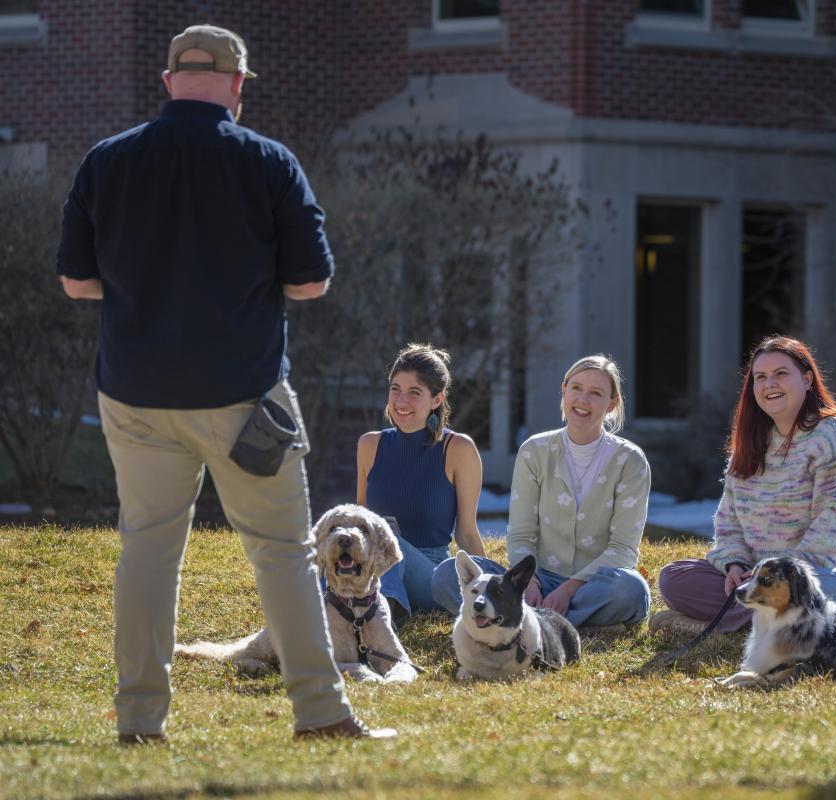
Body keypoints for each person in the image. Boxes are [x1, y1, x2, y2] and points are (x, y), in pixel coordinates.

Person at [56, 25, 388, 741]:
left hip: (136, 392)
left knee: (147, 548)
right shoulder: (268, 161)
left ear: (170, 79)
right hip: (246, 396)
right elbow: (311, 281)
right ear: (238, 86)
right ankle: (322, 714)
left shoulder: (106, 161)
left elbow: (78, 281)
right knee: (281, 553)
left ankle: (140, 723)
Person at [651, 335, 836, 635]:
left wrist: (772, 578)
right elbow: (729, 522)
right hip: (759, 579)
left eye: (781, 374)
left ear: (808, 380)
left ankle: (727, 625)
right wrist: (734, 565)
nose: (769, 384)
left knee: (815, 590)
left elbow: (834, 534)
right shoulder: (752, 443)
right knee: (675, 577)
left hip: (831, 574)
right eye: (760, 377)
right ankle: (762, 621)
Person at [431, 355, 651, 631]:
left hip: (595, 585)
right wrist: (529, 583)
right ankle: (573, 624)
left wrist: (569, 590)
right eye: (576, 388)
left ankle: (526, 624)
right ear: (564, 391)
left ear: (612, 404)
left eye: (596, 393)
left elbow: (623, 549)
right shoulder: (534, 450)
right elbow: (521, 533)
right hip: (535, 579)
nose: (583, 400)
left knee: (631, 591)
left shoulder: (630, 460)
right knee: (445, 576)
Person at [357, 344, 487, 623]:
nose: (401, 401)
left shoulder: (458, 448)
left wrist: (491, 592)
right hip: (374, 567)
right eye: (395, 389)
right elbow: (359, 523)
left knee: (383, 532)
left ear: (437, 399)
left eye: (414, 393)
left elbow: (466, 533)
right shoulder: (370, 444)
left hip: (429, 576)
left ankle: (382, 619)